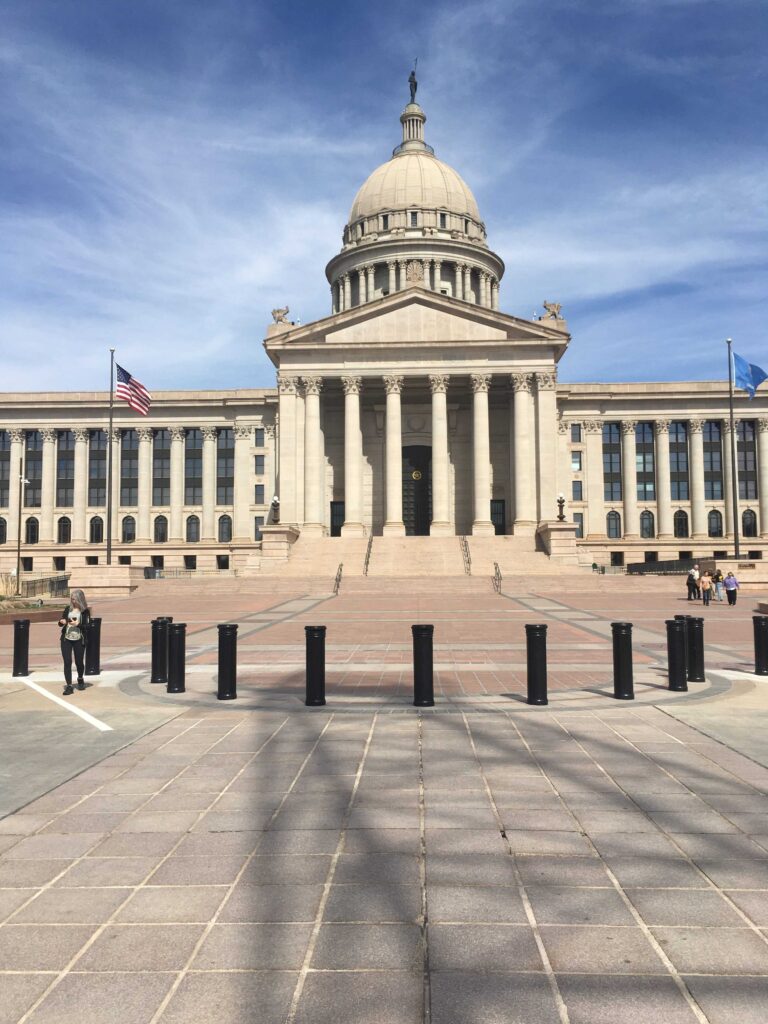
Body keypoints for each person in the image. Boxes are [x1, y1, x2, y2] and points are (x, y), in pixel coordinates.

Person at [58, 589, 91, 695]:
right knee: (67, 662)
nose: (72, 601)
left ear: (80, 599)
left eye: (74, 599)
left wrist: (78, 624)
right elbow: (61, 622)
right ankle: (69, 686)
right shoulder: (68, 609)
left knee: (79, 662)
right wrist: (61, 622)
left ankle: (80, 678)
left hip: (79, 639)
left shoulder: (85, 611)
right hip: (66, 639)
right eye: (71, 599)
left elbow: (88, 627)